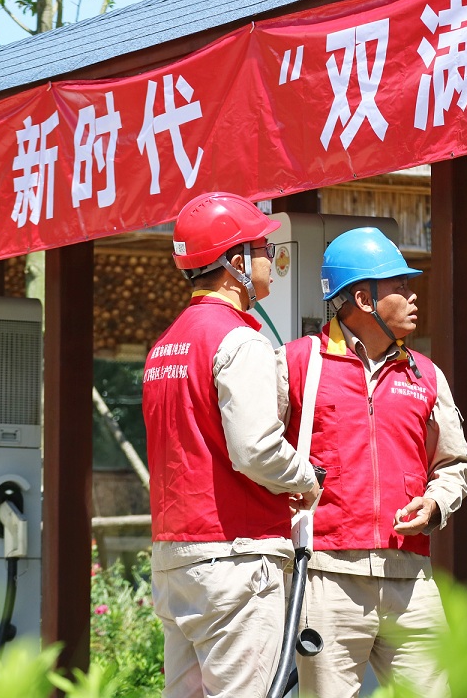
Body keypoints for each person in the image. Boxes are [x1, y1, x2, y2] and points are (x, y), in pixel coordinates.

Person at [276, 227, 467, 698]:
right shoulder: (295, 363)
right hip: (324, 578)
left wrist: (435, 504)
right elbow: (255, 452)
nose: (413, 296)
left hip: (411, 580)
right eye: (399, 286)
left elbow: (455, 463)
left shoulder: (426, 375)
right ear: (364, 300)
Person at [142, 191, 321, 698]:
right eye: (262, 250)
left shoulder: (165, 346)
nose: (270, 260)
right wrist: (306, 479)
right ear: (235, 264)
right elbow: (256, 449)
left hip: (176, 559)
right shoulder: (240, 340)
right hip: (234, 559)